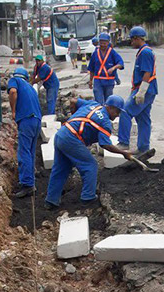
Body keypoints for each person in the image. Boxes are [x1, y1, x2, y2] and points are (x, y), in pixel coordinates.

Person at [45, 95, 132, 209]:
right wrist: (123, 153)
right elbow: (106, 145)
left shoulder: (93, 105)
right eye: (117, 111)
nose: (117, 115)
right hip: (71, 139)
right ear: (110, 107)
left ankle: (51, 201)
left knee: (61, 169)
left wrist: (73, 116)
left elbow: (73, 100)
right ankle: (88, 198)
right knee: (90, 165)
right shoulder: (105, 122)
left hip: (61, 134)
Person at [117, 26, 157, 156]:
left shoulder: (145, 52)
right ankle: (143, 148)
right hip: (148, 89)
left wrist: (141, 92)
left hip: (145, 89)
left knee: (125, 111)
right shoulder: (143, 51)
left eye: (132, 40)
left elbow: (147, 72)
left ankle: (123, 142)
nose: (131, 42)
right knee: (143, 118)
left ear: (137, 38)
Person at [7, 67, 42, 198]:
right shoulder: (30, 87)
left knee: (23, 152)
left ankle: (27, 184)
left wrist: (13, 111)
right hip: (37, 120)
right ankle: (31, 181)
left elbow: (12, 92)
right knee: (30, 152)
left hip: (27, 120)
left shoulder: (14, 80)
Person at [87, 32, 124, 105]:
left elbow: (120, 63)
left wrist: (113, 68)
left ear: (108, 42)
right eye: (101, 43)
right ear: (99, 42)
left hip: (109, 81)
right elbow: (91, 68)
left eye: (105, 43)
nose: (103, 45)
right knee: (99, 102)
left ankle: (107, 116)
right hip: (98, 81)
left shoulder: (112, 52)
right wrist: (90, 81)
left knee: (108, 102)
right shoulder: (95, 53)